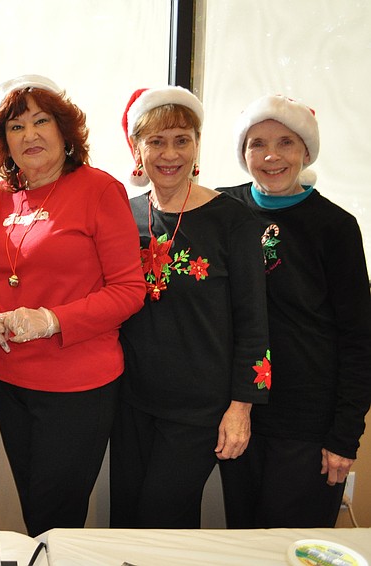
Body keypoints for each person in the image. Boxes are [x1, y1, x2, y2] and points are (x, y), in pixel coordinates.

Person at [0, 75, 144, 537]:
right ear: (3, 141)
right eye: (15, 126)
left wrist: (51, 320)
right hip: (10, 379)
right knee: (35, 512)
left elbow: (129, 290)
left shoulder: (100, 189)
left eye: (41, 121)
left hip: (77, 386)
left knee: (56, 519)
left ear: (65, 131)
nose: (29, 135)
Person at [108, 86, 270, 529]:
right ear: (137, 149)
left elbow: (255, 323)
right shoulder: (125, 215)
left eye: (182, 139)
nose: (169, 153)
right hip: (132, 403)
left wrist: (242, 408)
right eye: (156, 141)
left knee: (161, 522)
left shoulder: (233, 221)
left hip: (200, 410)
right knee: (125, 521)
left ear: (197, 145)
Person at [217, 94, 371, 528]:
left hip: (308, 422)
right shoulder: (222, 211)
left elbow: (360, 338)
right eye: (257, 143)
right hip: (237, 412)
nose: (271, 155)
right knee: (245, 539)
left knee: (291, 547)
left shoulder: (335, 227)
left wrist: (345, 434)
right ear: (243, 152)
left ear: (305, 151)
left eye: (286, 142)